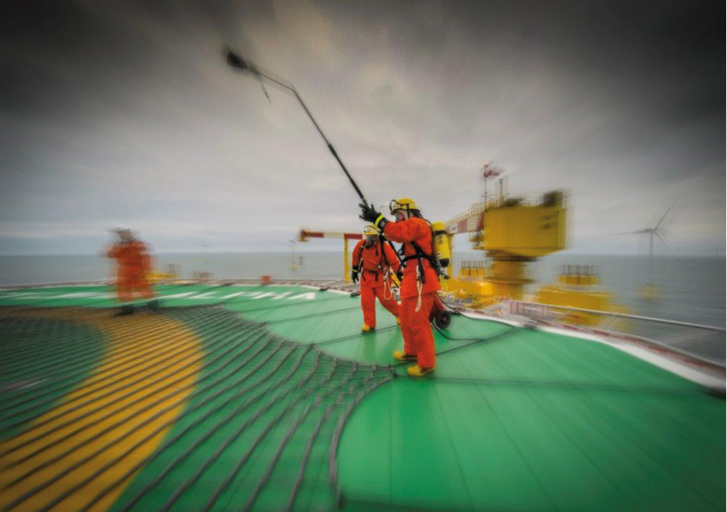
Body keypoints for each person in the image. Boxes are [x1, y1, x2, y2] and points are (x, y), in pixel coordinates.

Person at [360, 198, 440, 377]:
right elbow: (392, 234)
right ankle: (411, 352)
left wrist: (378, 219)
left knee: (419, 323)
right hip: (413, 278)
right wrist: (376, 221)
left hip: (422, 280)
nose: (396, 219)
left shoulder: (417, 223)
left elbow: (398, 233)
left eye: (398, 215)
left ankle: (426, 363)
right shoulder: (412, 226)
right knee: (405, 318)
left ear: (409, 211)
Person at [351, 224, 400, 332]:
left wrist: (400, 274)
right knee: (366, 302)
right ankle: (370, 324)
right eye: (367, 237)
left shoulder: (384, 247)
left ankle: (400, 314)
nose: (368, 239)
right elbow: (355, 256)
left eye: (371, 237)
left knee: (386, 301)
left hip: (381, 277)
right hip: (366, 277)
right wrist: (354, 271)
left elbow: (394, 262)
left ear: (376, 237)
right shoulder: (361, 245)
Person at [106, 229, 158, 316]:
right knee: (123, 291)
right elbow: (110, 255)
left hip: (137, 270)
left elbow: (146, 257)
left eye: (124, 234)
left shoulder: (138, 244)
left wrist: (146, 270)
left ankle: (154, 308)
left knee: (144, 289)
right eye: (121, 234)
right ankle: (127, 310)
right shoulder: (117, 245)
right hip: (123, 270)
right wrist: (120, 248)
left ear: (129, 234)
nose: (122, 236)